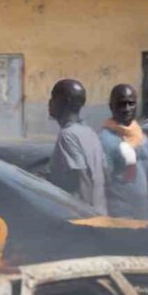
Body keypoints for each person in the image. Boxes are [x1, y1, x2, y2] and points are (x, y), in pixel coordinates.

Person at [48, 79, 107, 214]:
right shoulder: (90, 132)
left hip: (82, 216)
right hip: (99, 211)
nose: (50, 102)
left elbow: (79, 178)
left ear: (64, 102)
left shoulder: (67, 135)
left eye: (53, 97)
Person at [98, 84, 148, 220]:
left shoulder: (141, 136)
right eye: (121, 104)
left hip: (142, 210)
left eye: (131, 103)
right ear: (111, 107)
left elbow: (146, 174)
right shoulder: (106, 139)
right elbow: (103, 179)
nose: (127, 109)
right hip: (119, 212)